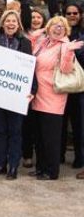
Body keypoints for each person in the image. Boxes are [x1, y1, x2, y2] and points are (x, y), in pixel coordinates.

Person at [0, 5, 35, 179]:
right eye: (7, 20)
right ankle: (0, 164)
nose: (11, 23)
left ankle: (13, 166)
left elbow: (30, 68)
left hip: (16, 94)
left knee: (15, 131)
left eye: (14, 21)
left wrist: (32, 90)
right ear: (2, 23)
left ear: (18, 24)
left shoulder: (24, 42)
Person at [30, 16, 83, 180]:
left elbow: (66, 70)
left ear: (66, 30)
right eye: (54, 25)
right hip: (36, 95)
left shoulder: (65, 46)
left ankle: (51, 171)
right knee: (38, 136)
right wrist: (36, 34)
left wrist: (68, 52)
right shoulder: (43, 43)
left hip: (53, 97)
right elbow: (30, 55)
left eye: (61, 26)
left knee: (50, 137)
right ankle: (40, 167)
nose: (57, 28)